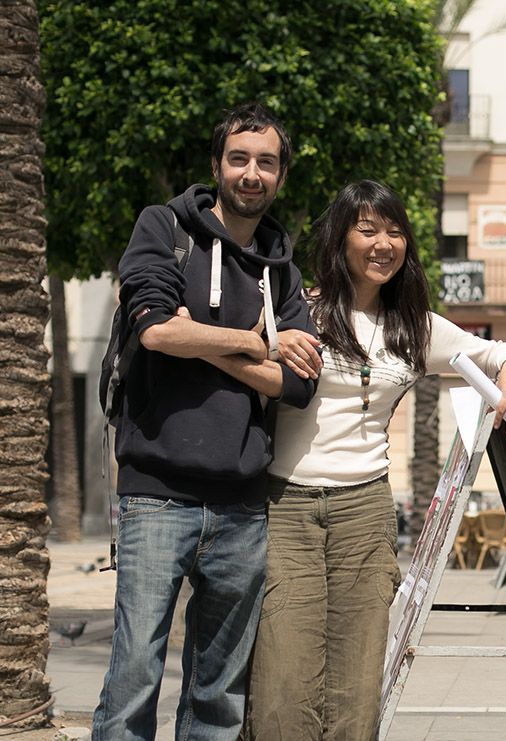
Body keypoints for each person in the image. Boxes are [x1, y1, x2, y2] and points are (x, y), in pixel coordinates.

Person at [243, 180, 506, 740]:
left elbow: (498, 351)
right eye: (368, 230)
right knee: (283, 684)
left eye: (395, 231)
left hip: (365, 511)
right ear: (340, 238)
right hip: (285, 508)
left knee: (356, 683)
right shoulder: (298, 309)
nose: (384, 244)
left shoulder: (415, 326)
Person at [93, 103, 319, 740]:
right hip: (156, 495)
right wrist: (257, 344)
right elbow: (157, 331)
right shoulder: (164, 227)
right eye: (239, 159)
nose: (252, 173)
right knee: (134, 677)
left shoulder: (282, 269)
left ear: (281, 175)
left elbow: (299, 384)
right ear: (217, 165)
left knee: (219, 695)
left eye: (266, 163)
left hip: (243, 505)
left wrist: (208, 342)